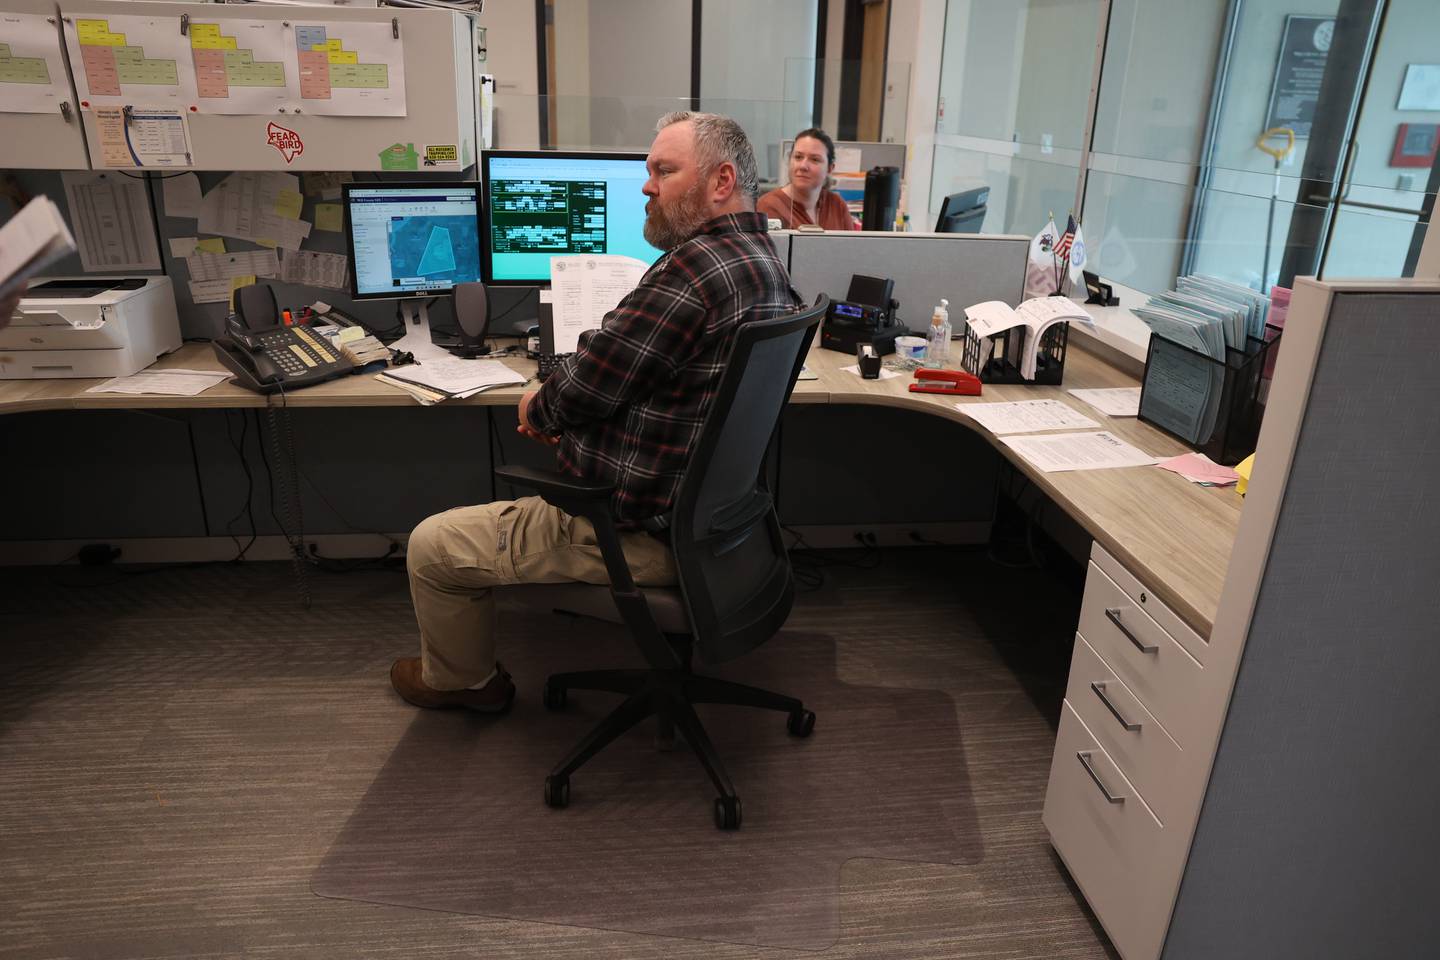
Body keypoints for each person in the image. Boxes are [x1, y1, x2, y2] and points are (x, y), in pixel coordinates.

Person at [391, 112, 803, 712]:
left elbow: (583, 389)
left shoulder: (689, 273)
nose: (646, 186)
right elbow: (636, 377)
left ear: (721, 181)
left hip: (634, 529)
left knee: (432, 546)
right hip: (716, 525)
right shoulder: (761, 261)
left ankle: (462, 685)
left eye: (664, 171)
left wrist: (542, 404)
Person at [757, 128, 861, 231]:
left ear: (829, 168)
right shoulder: (768, 207)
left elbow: (851, 247)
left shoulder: (837, 205)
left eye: (814, 159)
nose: (803, 166)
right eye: (798, 157)